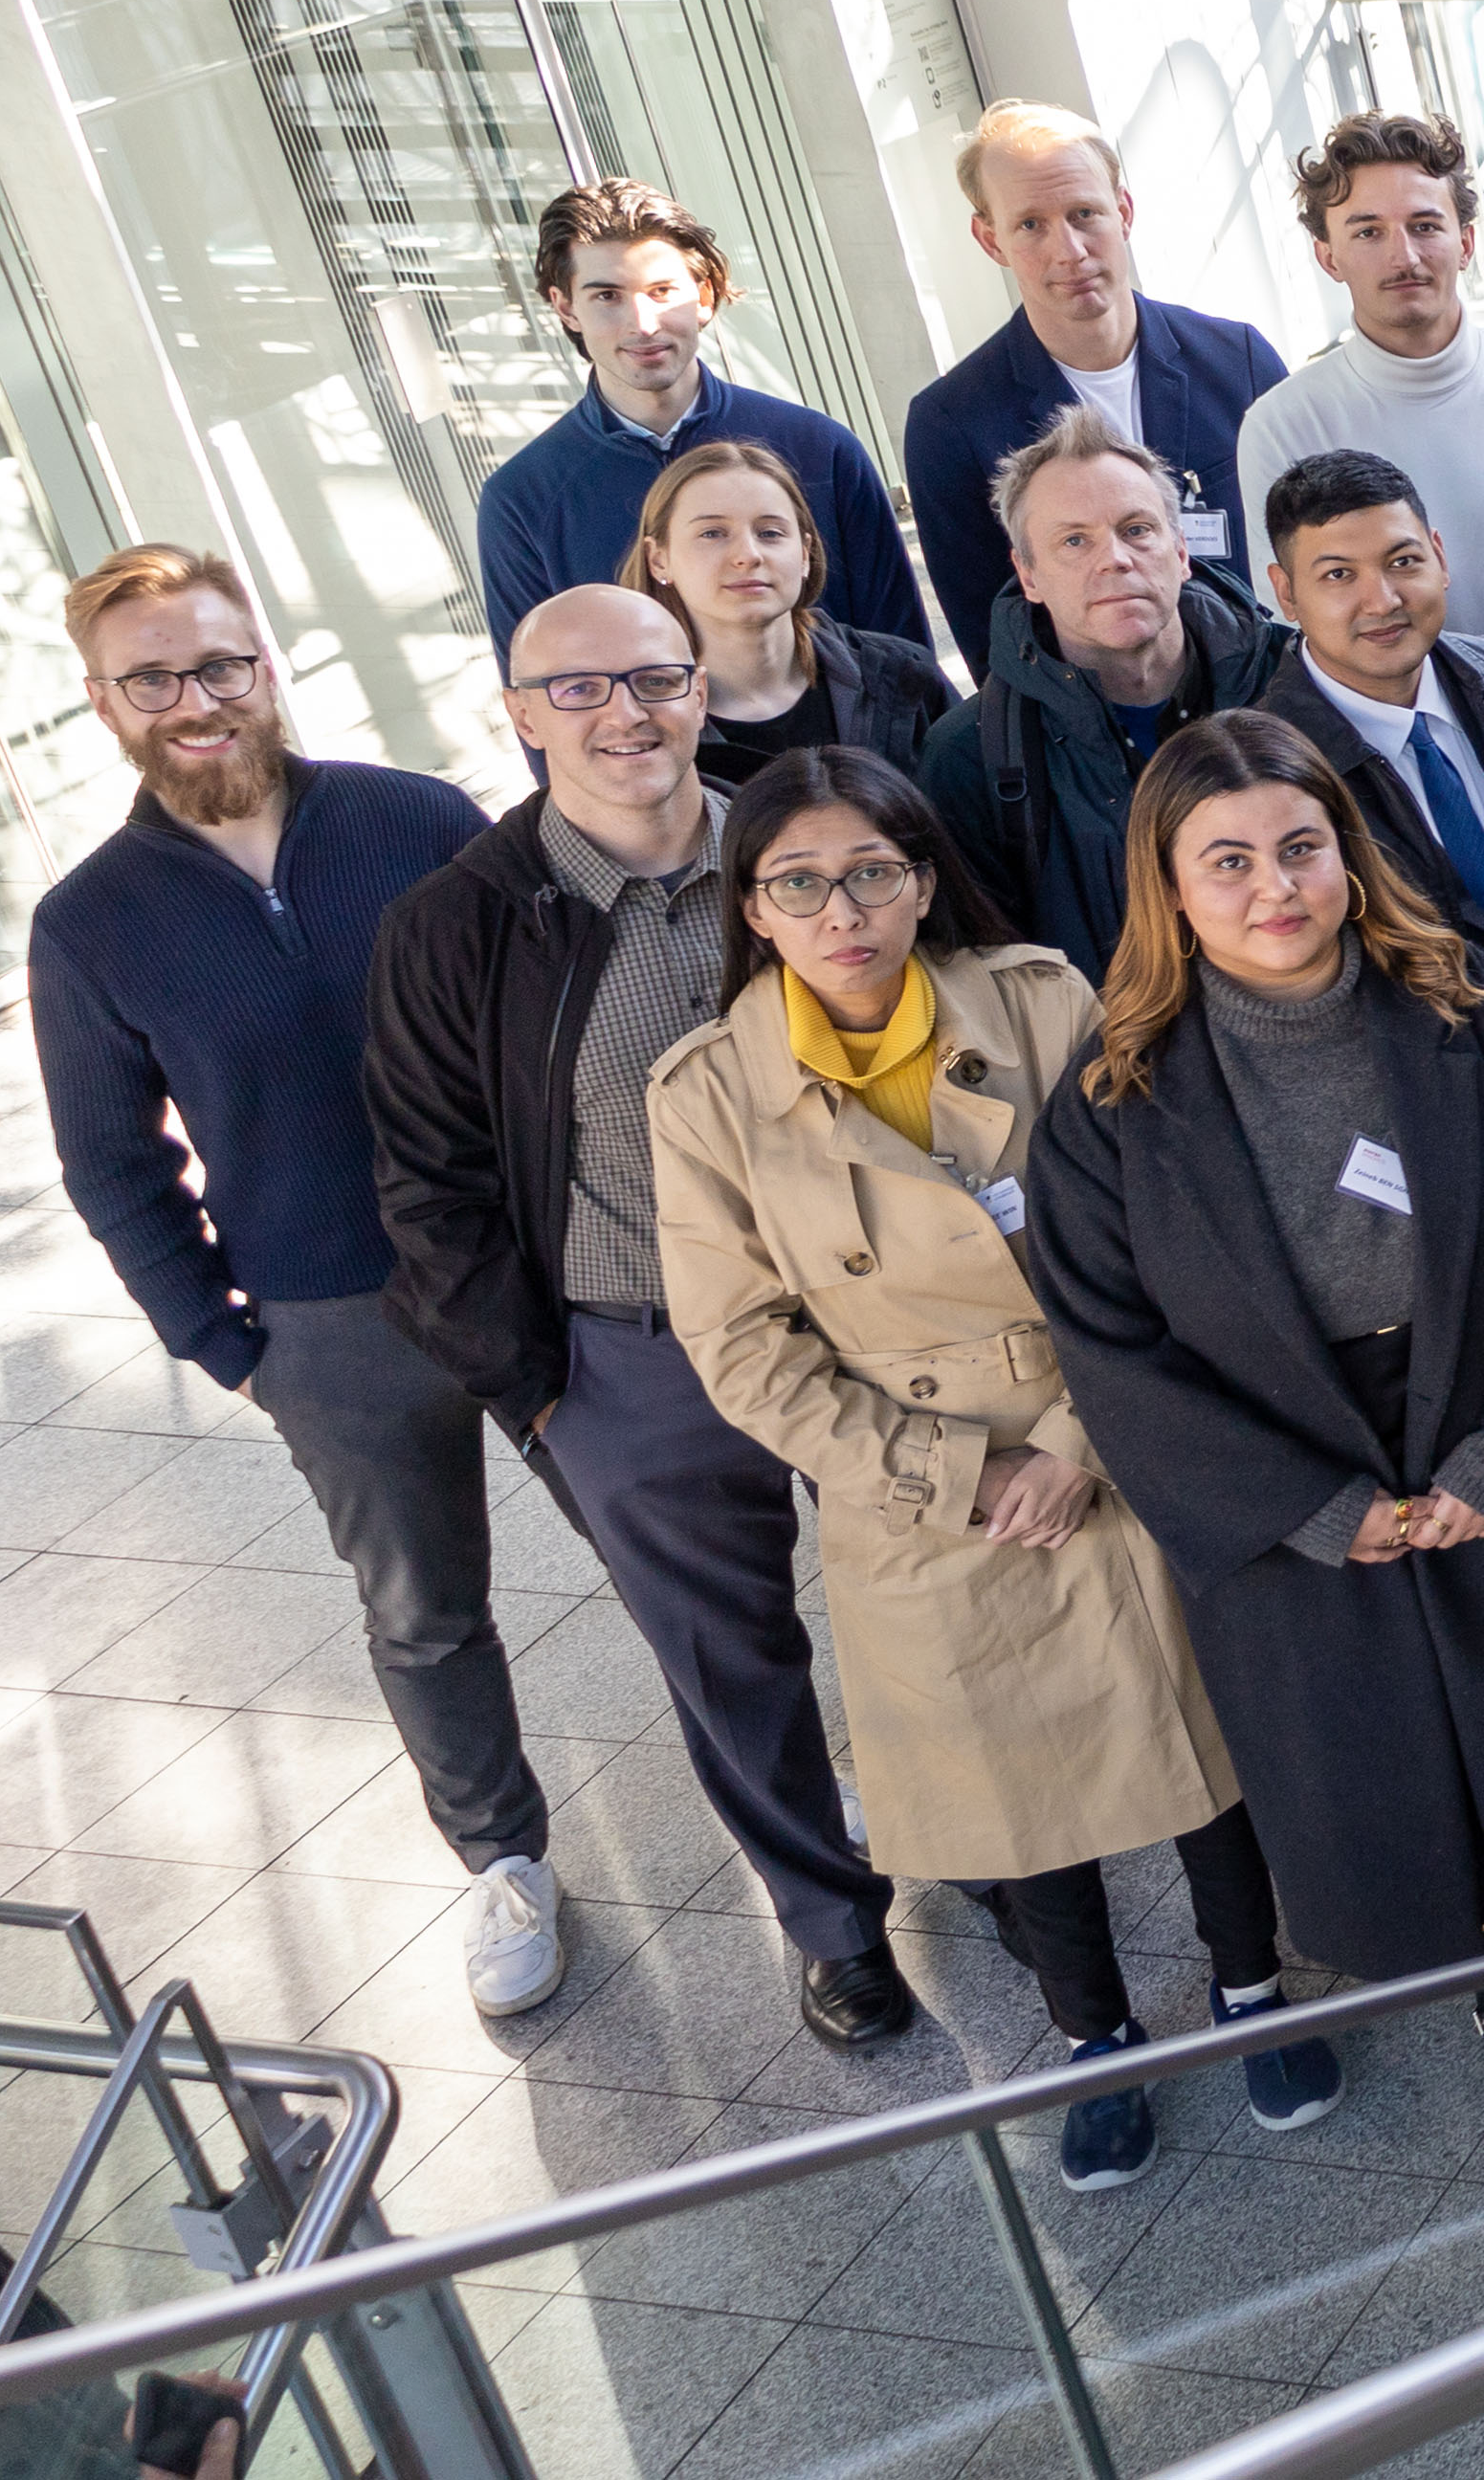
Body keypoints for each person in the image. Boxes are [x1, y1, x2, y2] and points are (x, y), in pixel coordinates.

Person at [645, 751, 1335, 2184]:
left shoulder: (1034, 997)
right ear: (753, 907)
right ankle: (1097, 2038)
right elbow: (743, 1345)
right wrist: (963, 1474)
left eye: (875, 873)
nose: (845, 912)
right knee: (1006, 1776)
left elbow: (1158, 1228)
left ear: (921, 875)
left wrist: (1079, 1438)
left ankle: (1250, 1988)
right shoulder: (707, 1090)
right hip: (911, 1481)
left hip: (1108, 1415)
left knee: (1192, 1734)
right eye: (800, 883)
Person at [1024, 710, 1484, 2151]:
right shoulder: (1111, 1096)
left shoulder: (1478, 1009)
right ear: (1169, 884)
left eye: (1300, 845)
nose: (1274, 885)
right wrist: (1318, 1510)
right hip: (1289, 1470)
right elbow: (1112, 1348)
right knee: (1395, 1752)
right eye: (1228, 861)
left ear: (1348, 851)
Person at [363, 587, 899, 2048]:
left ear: (702, 692)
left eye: (655, 678)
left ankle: (987, 1840)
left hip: (864, 1316)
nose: (626, 714)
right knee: (731, 1656)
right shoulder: (459, 925)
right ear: (520, 715)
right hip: (635, 1353)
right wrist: (541, 1396)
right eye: (579, 688)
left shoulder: (805, 856)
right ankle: (832, 1924)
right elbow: (431, 1183)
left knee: (922, 1595)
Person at [29, 549, 559, 2018]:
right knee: (425, 1614)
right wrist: (229, 1343)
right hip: (327, 1326)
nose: (196, 699)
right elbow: (113, 1167)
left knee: (673, 1554)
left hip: (522, 1272)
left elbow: (544, 1019)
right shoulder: (92, 921)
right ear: (104, 703)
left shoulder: (419, 820)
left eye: (220, 663)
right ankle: (504, 1860)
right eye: (155, 678)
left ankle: (792, 1812)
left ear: (266, 662)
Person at [1230, 111, 1484, 683]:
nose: (1404, 257)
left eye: (1425, 225)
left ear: (1466, 242)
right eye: (1368, 232)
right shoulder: (1282, 426)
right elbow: (1295, 625)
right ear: (1329, 257)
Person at [470, 180, 934, 662]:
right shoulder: (523, 499)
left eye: (662, 291)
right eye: (607, 296)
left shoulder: (821, 449)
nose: (643, 323)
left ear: (705, 296)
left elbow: (906, 666)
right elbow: (539, 701)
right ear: (566, 309)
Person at [901, 100, 1290, 669]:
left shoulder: (1239, 362)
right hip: (1093, 733)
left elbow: (1317, 547)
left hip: (1266, 696)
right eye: (1031, 224)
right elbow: (994, 642)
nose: (1070, 251)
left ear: (1124, 212)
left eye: (1085, 213)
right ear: (990, 241)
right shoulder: (950, 424)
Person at [921, 408, 1297, 977]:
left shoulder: (1294, 682)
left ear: (1180, 551)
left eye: (1137, 530)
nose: (1116, 559)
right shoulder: (970, 756)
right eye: (1075, 541)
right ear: (1028, 576)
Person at [1250, 449, 1484, 947]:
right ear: (1287, 594)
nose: (1383, 601)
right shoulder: (1262, 770)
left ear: (1440, 557)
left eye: (1403, 562)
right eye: (1339, 575)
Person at [631, 440, 949, 791]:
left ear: (804, 553)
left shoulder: (901, 675)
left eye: (770, 533)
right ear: (658, 558)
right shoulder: (634, 718)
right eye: (712, 533)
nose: (748, 555)